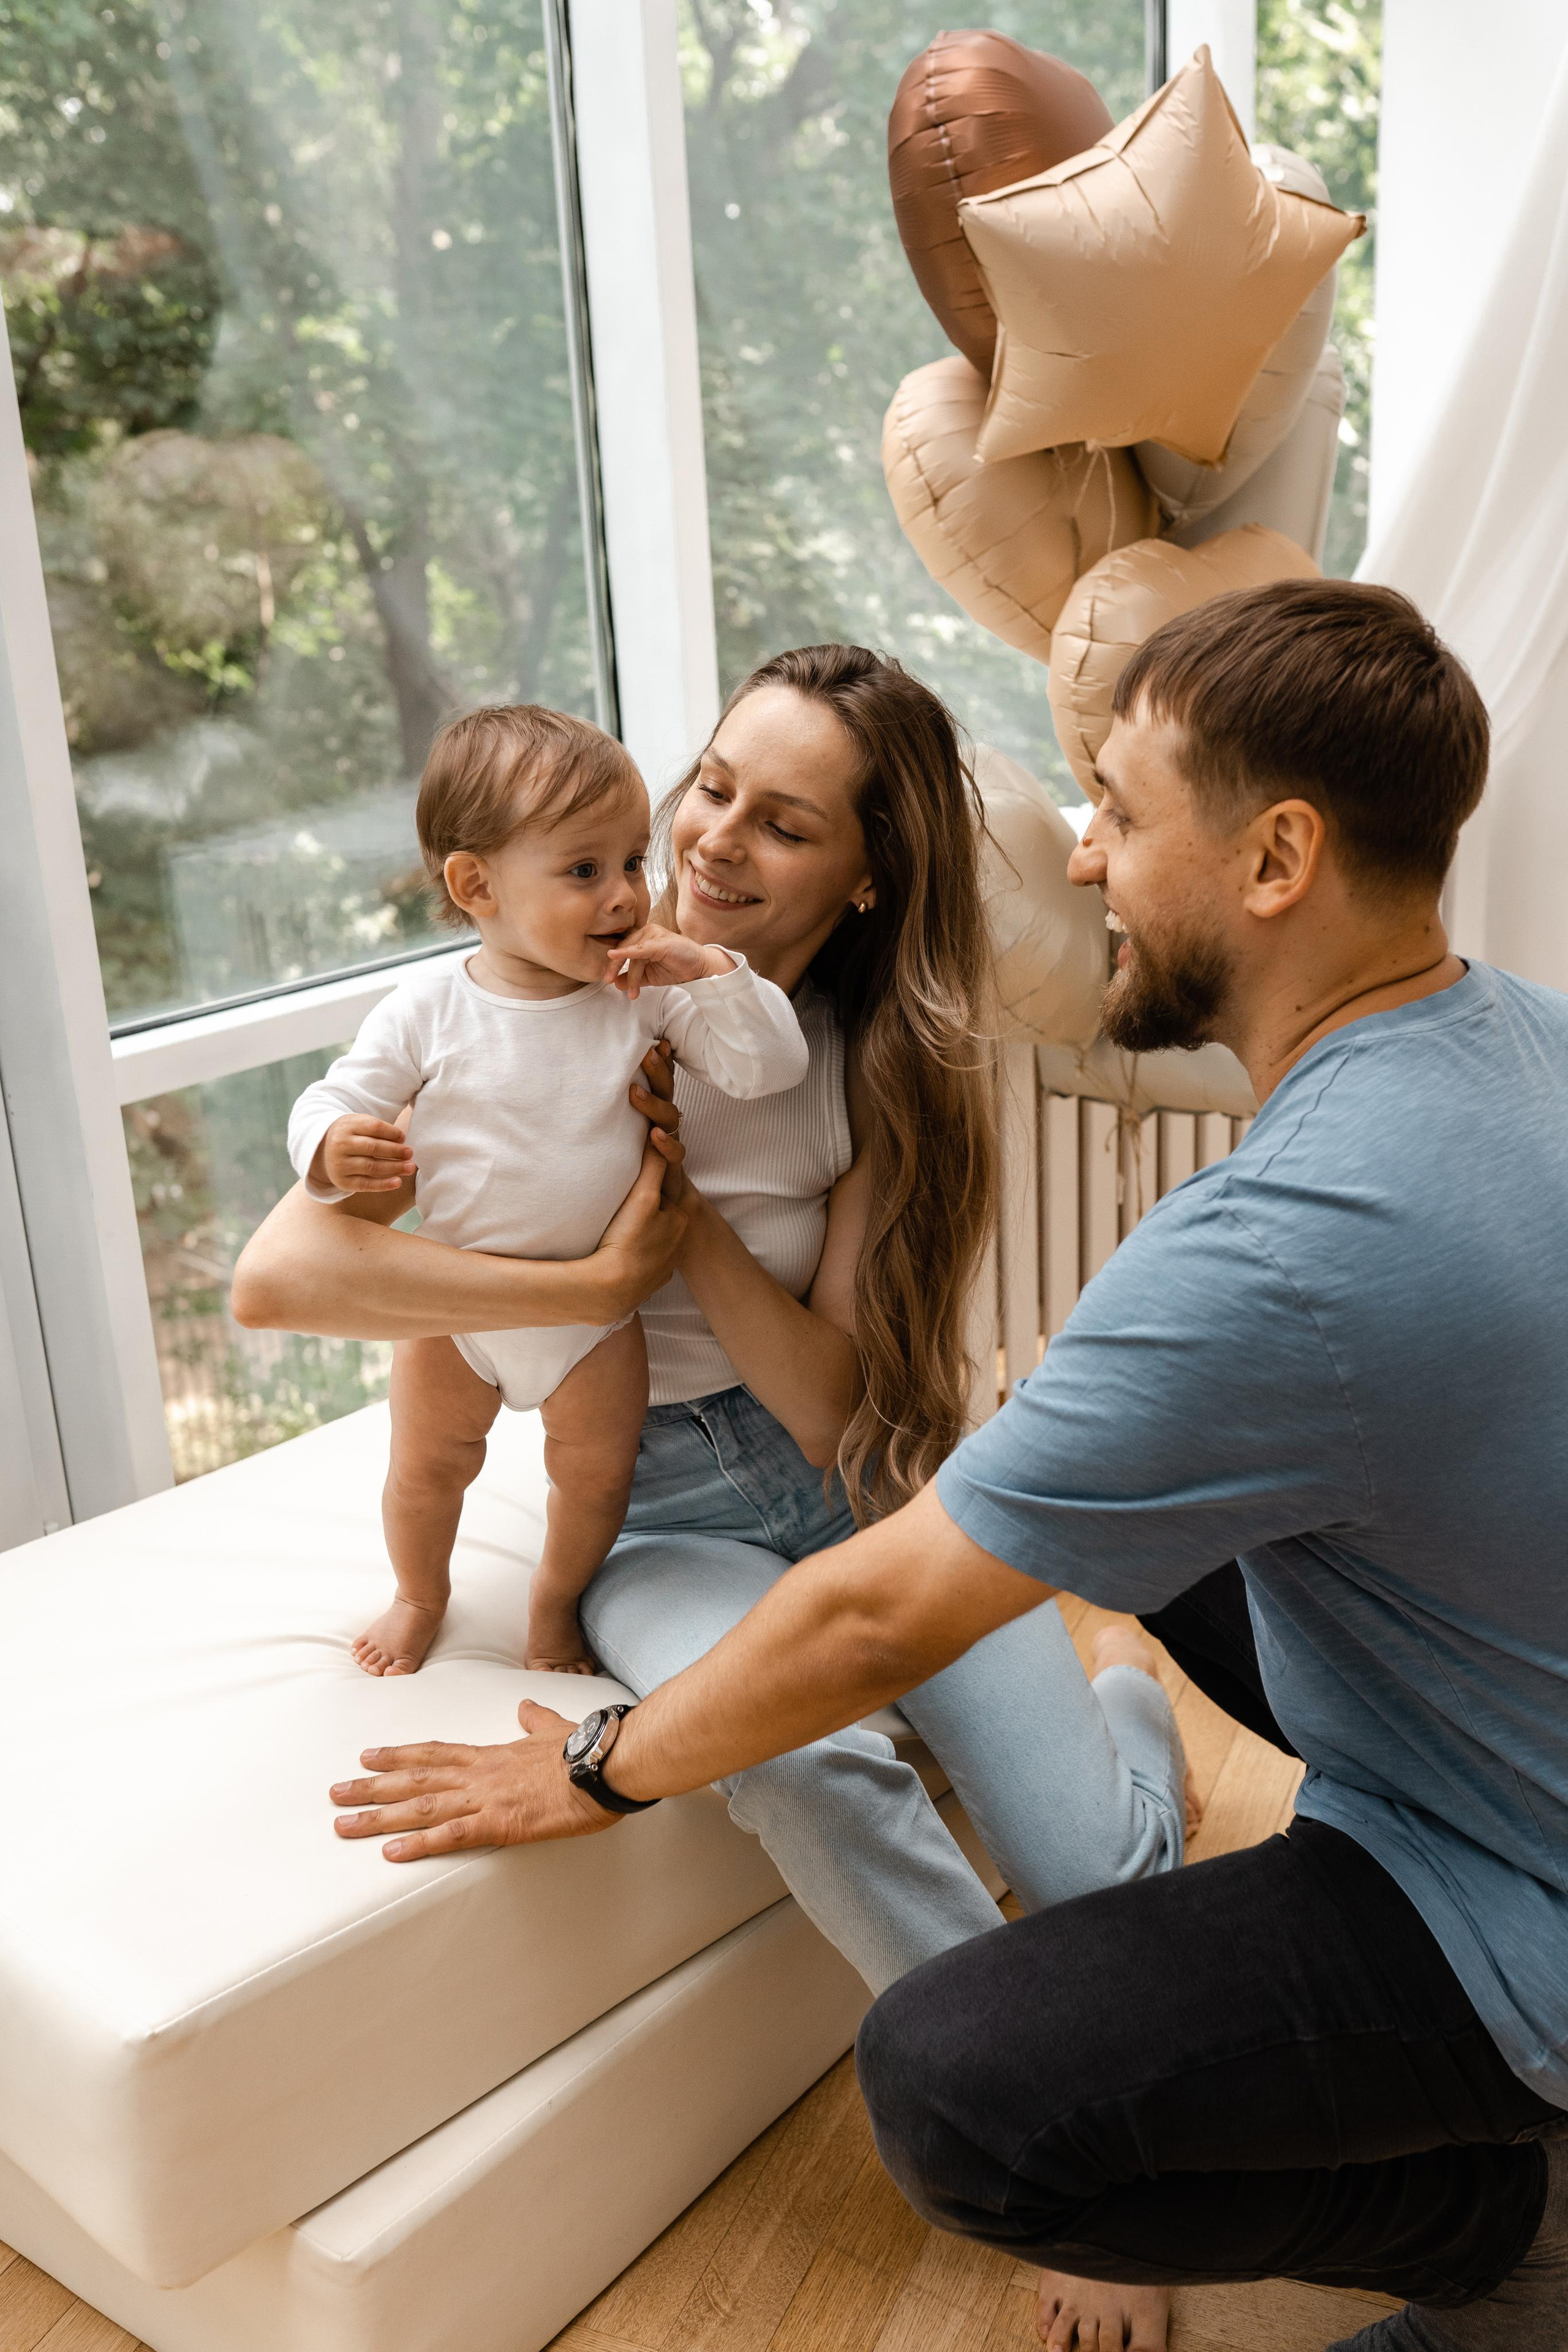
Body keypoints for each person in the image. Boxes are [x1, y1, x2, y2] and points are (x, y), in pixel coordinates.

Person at [322, 586, 1568, 2352]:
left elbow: (878, 1568)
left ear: (1278, 855)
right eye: (709, 792)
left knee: (965, 2079)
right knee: (1066, 1567)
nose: (1079, 859)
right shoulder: (1528, 1035)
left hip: (1513, 1899)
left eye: (1121, 812)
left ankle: (1505, 2229)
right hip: (676, 1511)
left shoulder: (1255, 1237)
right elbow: (308, 1263)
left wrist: (595, 1772)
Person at [236, 642, 1189, 2351]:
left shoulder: (869, 1063)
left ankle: (1127, 1696)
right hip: (663, 1514)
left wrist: (683, 1240)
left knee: (1103, 1872)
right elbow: (275, 1281)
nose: (716, 842)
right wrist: (579, 1280)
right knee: (802, 1753)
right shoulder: (524, 985)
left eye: (789, 823)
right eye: (715, 787)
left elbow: (838, 1414)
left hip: (867, 1489)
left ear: (868, 870)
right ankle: (1061, 2166)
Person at [285, 704, 809, 1677]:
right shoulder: (428, 1009)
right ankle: (418, 1595)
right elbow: (334, 1094)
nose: (623, 897)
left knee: (597, 1480)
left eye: (631, 864)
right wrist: (328, 1146)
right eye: (583, 871)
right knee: (428, 1468)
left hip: (597, 1325)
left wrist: (710, 971)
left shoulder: (646, 993)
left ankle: (553, 1605)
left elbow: (767, 1069)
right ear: (475, 884)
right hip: (459, 1311)